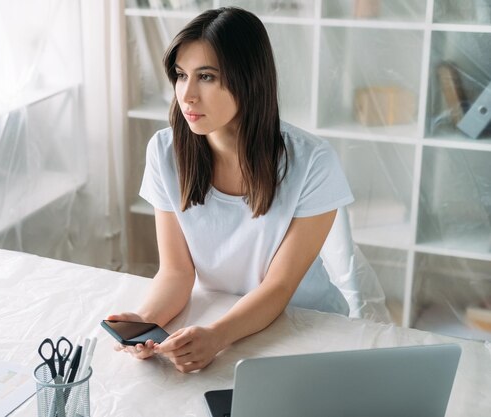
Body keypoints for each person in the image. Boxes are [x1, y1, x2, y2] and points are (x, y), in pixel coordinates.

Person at [108, 7, 354, 373]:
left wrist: (217, 336)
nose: (186, 95)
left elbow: (279, 286)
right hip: (222, 315)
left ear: (248, 80)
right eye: (180, 75)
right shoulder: (164, 152)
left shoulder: (312, 162)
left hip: (305, 324)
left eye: (206, 77)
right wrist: (145, 325)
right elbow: (176, 272)